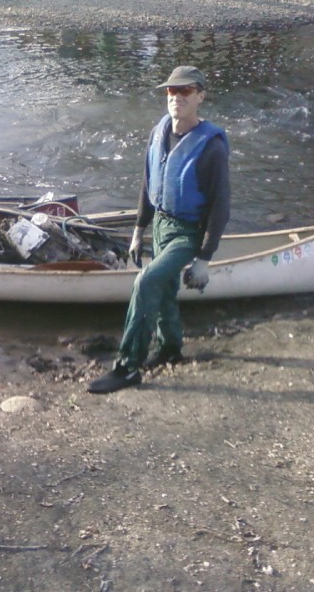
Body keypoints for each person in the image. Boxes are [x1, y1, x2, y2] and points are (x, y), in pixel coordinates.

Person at [87, 65, 231, 394]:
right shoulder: (159, 132)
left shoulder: (212, 148)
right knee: (165, 290)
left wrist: (204, 260)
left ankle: (127, 367)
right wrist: (139, 229)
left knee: (147, 281)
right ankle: (169, 348)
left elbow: (220, 208)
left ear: (200, 96)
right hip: (161, 225)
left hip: (188, 231)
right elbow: (149, 183)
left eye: (186, 91)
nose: (177, 97)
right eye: (171, 91)